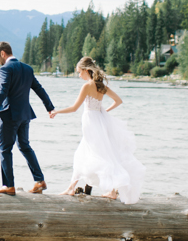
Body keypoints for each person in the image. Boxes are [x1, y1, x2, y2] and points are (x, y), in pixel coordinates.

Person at [49, 57, 145, 203]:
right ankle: (109, 190)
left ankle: (72, 188)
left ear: (87, 70)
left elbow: (74, 108)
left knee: (90, 154)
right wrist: (104, 111)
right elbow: (118, 101)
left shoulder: (87, 86)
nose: (79, 75)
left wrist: (56, 111)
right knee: (104, 153)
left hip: (91, 122)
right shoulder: (101, 86)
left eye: (79, 72)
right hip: (99, 120)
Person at [0, 41, 55, 195]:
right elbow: (39, 89)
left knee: (5, 149)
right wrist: (50, 107)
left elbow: (3, 92)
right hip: (25, 115)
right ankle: (39, 180)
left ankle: (9, 186)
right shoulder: (27, 68)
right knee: (24, 146)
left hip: (10, 115)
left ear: (3, 53)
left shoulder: (5, 69)